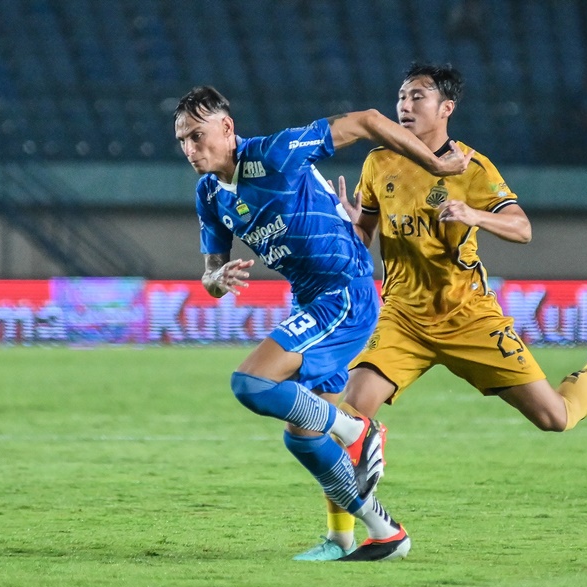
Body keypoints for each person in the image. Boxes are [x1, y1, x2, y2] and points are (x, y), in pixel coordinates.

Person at [293, 63, 587, 562]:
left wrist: (472, 214)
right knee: (347, 416)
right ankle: (341, 538)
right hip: (402, 318)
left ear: (446, 109)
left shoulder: (473, 168)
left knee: (555, 417)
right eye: (401, 96)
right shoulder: (378, 163)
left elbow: (522, 228)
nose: (405, 105)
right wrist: (352, 225)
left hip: (469, 318)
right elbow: (365, 240)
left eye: (417, 96)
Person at [173, 85, 472, 552]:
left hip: (344, 294)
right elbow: (211, 270)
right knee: (305, 437)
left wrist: (435, 164)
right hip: (308, 300)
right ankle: (373, 534)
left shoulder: (274, 153)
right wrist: (215, 279)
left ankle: (358, 430)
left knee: (251, 384)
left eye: (197, 135)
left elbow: (370, 119)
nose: (190, 149)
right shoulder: (210, 194)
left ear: (227, 128)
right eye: (183, 142)